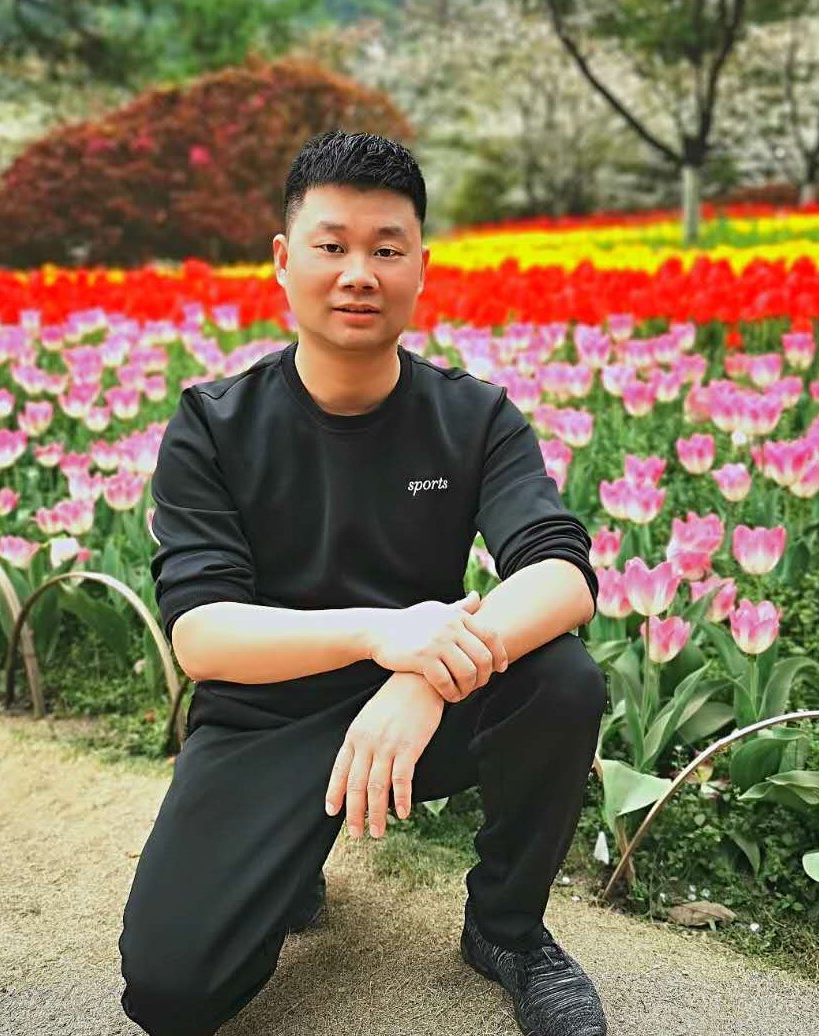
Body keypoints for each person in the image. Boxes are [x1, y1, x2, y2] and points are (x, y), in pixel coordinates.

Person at [118, 129, 608, 1036]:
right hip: (266, 716)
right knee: (171, 995)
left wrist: (422, 678)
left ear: (421, 267)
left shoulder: (473, 417)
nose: (358, 274)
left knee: (563, 678)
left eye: (386, 250)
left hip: (424, 711)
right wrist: (381, 634)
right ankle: (284, 862)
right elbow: (202, 634)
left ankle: (507, 930)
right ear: (283, 260)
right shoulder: (215, 426)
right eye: (332, 245)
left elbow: (561, 573)